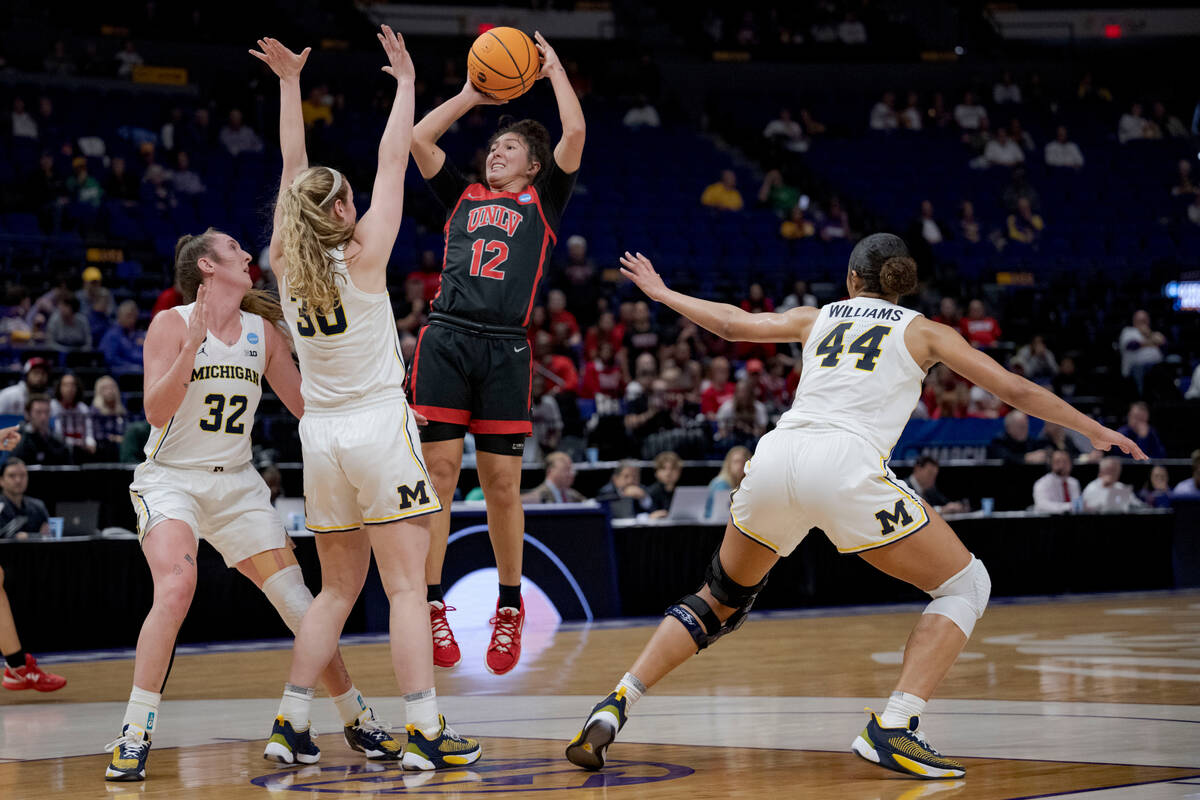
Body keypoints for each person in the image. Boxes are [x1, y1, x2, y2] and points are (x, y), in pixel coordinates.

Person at [565, 237, 1143, 778]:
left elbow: (735, 324)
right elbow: (1013, 389)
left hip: (776, 456)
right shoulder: (927, 331)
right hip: (844, 465)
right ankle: (894, 723)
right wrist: (1091, 428)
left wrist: (664, 294)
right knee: (966, 586)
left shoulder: (819, 317)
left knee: (719, 598)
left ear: (850, 280)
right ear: (903, 287)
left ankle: (617, 701)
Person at [253, 33, 480, 768]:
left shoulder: (283, 262)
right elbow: (392, 158)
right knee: (407, 587)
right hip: (379, 428)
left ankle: (290, 723)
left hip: (320, 437)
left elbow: (293, 170)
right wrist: (407, 82)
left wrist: (290, 85)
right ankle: (425, 731)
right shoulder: (367, 251)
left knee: (335, 592)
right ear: (345, 210)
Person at [105, 227, 407, 780]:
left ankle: (354, 714)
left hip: (238, 484)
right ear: (206, 266)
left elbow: (305, 405)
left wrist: (381, 407)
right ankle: (134, 729)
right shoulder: (168, 324)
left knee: (300, 602)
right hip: (172, 479)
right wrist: (193, 347)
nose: (248, 255)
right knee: (177, 586)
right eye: (234, 250)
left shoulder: (261, 332)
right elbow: (154, 409)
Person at [407, 30, 584, 676]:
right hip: (446, 338)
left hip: (505, 349)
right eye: (492, 147)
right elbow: (419, 140)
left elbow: (574, 136)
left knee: (504, 487)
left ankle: (509, 607)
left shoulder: (544, 201)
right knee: (441, 480)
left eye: (507, 147)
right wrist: (468, 93)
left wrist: (557, 68)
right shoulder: (462, 196)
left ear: (532, 165)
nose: (495, 154)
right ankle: (431, 603)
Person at [0, 450, 69, 695]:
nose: (18, 480)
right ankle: (17, 666)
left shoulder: (35, 505)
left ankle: (17, 666)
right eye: (12, 475)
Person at [12, 395, 72, 466]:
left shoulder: (57, 440)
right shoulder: (18, 438)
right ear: (27, 414)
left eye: (46, 412)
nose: (43, 417)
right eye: (38, 412)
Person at [0, 455, 50, 538]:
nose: (18, 480)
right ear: (1, 480)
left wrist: (27, 537)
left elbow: (47, 536)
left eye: (23, 475)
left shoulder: (38, 507)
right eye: (12, 476)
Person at [1119, 310, 1165, 396]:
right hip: (1135, 368)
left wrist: (1149, 335)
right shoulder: (1128, 331)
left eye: (1145, 320)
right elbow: (1132, 345)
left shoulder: (1153, 333)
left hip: (1156, 366)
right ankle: (1141, 398)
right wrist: (1152, 341)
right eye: (1140, 320)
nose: (1143, 323)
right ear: (1134, 321)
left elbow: (1163, 344)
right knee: (1140, 370)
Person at [51, 373, 95, 456]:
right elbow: (56, 435)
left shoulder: (83, 408)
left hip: (81, 450)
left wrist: (91, 443)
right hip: (61, 449)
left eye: (72, 385)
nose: (69, 389)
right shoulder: (53, 407)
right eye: (65, 385)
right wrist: (75, 442)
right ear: (59, 388)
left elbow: (89, 433)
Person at [704, 445, 749, 521]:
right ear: (729, 464)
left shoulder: (745, 483)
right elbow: (722, 514)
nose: (740, 466)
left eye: (744, 462)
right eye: (736, 461)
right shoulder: (721, 484)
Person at [91, 375, 129, 461]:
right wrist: (116, 438)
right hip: (103, 451)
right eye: (105, 388)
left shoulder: (122, 410)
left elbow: (127, 431)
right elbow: (98, 435)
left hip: (121, 447)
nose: (110, 391)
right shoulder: (95, 411)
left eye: (112, 387)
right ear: (99, 391)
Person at [100, 300, 146, 371]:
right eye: (128, 316)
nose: (132, 319)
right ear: (119, 316)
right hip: (122, 373)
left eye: (134, 316)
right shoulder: (112, 335)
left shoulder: (140, 335)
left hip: (141, 370)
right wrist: (131, 367)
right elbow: (110, 359)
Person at [645, 450, 682, 519]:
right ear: (656, 472)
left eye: (673, 468)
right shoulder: (650, 492)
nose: (668, 473)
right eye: (663, 468)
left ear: (679, 471)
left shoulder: (684, 492)